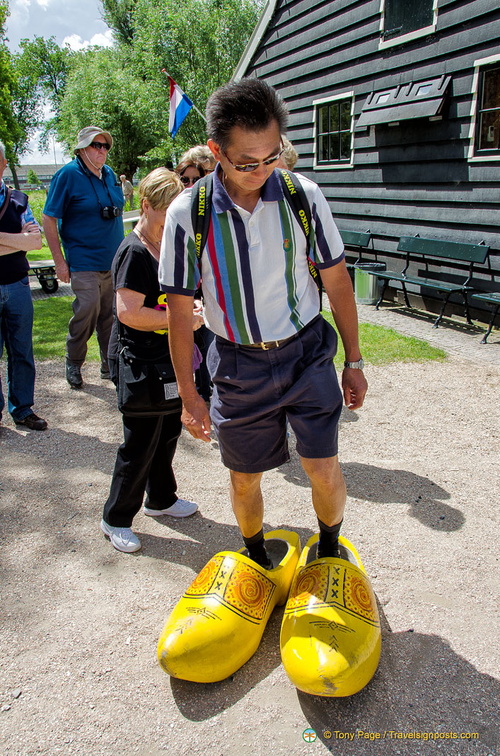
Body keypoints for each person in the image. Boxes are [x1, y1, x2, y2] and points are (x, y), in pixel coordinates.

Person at [159, 78, 367, 569]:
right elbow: (178, 313)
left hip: (306, 351)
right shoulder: (188, 212)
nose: (260, 172)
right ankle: (257, 558)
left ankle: (331, 551)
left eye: (271, 157)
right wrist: (189, 395)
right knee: (244, 476)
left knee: (322, 464)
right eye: (245, 162)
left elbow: (337, 284)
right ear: (216, 151)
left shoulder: (304, 196)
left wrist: (354, 360)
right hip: (235, 363)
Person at [101, 168, 202, 553]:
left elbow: (167, 299)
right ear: (146, 206)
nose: (175, 223)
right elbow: (128, 312)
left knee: (167, 433)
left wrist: (187, 307)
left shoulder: (168, 246)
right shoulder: (133, 250)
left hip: (166, 358)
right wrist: (181, 319)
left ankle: (161, 499)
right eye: (167, 213)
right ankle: (115, 518)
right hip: (138, 360)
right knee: (140, 441)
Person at [42, 126, 124, 390]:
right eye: (95, 145)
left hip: (112, 259)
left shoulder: (110, 175)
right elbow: (48, 217)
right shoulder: (67, 175)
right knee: (87, 309)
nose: (102, 151)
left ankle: (108, 364)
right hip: (83, 259)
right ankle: (74, 360)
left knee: (111, 316)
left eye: (105, 146)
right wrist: (59, 261)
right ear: (81, 149)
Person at [0, 141, 47, 431]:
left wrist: (15, 240)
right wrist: (16, 238)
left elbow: (35, 241)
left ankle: (23, 409)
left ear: (4, 163)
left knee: (22, 351)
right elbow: (25, 240)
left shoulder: (19, 199)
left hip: (17, 285)